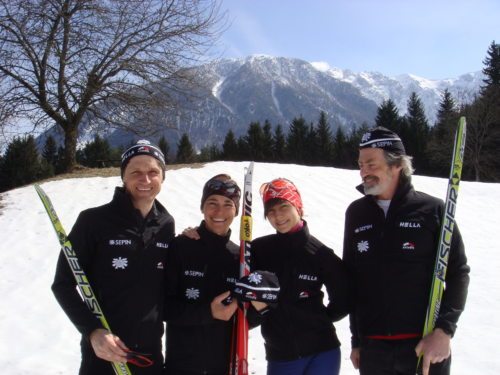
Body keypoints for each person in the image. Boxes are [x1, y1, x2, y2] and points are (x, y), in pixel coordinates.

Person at [342, 127, 470, 375]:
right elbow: (352, 280)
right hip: (373, 349)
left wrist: (444, 331)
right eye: (360, 164)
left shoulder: (432, 210)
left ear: (396, 164)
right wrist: (356, 340)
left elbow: (458, 272)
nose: (363, 171)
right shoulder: (356, 213)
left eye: (371, 164)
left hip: (424, 345)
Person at [52, 139, 175, 374]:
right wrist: (92, 332)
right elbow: (63, 284)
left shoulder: (166, 224)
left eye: (153, 172)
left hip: (150, 357)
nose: (145, 180)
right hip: (103, 356)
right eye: (135, 172)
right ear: (123, 176)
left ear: (162, 177)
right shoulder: (93, 221)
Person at [249, 178, 350, 375]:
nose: (278, 216)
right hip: (281, 354)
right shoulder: (259, 249)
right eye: (271, 211)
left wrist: (319, 320)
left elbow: (344, 298)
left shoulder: (320, 253)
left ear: (298, 207)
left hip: (323, 352)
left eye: (284, 207)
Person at [163, 174, 241, 375]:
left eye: (228, 204)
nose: (219, 211)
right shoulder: (180, 247)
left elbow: (243, 318)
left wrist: (260, 307)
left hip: (223, 367)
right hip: (181, 366)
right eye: (212, 203)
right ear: (202, 207)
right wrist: (208, 312)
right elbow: (163, 308)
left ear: (236, 211)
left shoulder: (239, 257)